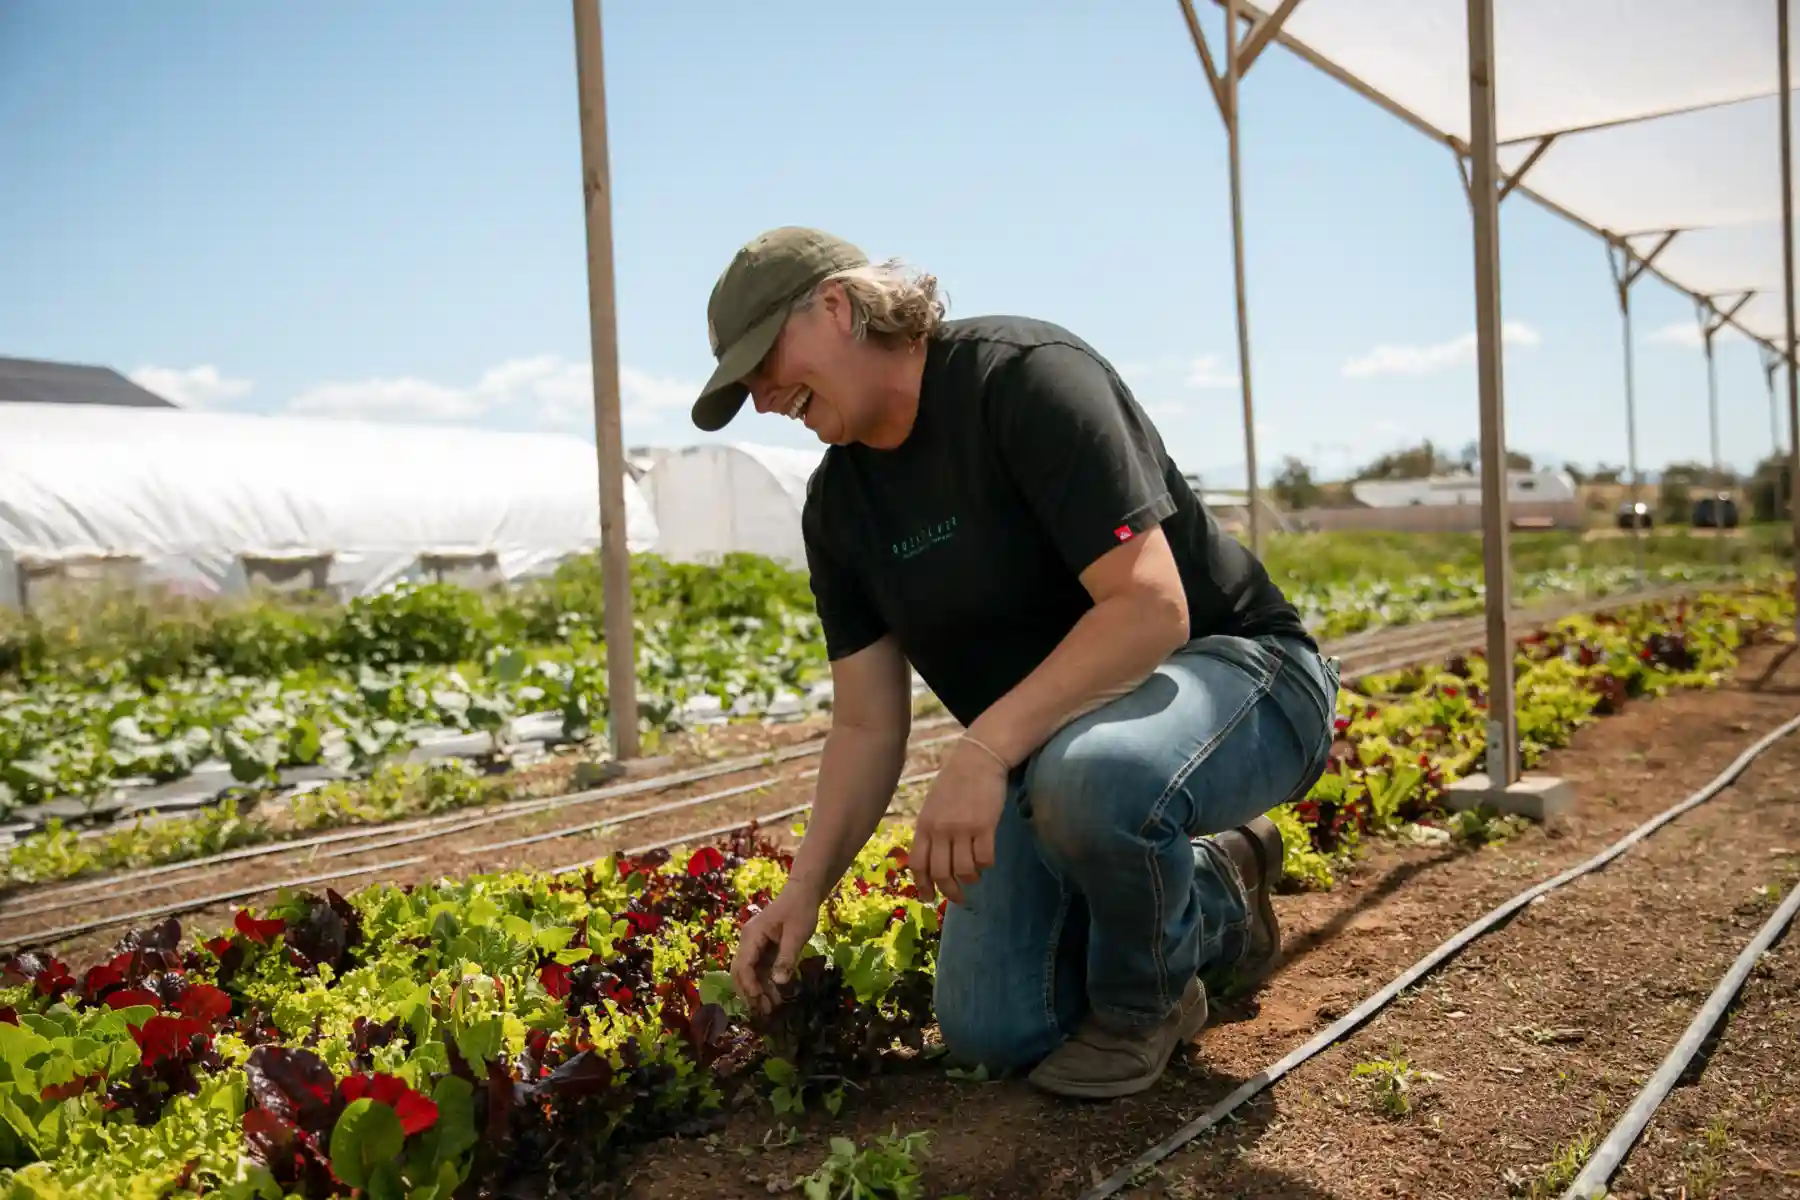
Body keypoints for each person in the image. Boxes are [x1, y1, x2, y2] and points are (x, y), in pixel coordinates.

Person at [708, 226, 1338, 1099]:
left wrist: (983, 750)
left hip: (1240, 677)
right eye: (744, 385)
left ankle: (1144, 1003)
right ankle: (1219, 885)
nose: (763, 396)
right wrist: (802, 890)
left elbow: (1151, 607)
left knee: (1096, 775)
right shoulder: (839, 508)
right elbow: (865, 721)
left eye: (763, 361)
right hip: (1050, 750)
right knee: (997, 1026)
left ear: (837, 306)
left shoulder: (1023, 377)